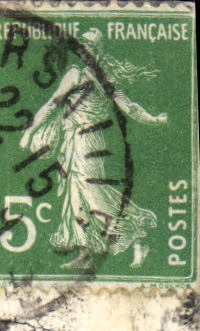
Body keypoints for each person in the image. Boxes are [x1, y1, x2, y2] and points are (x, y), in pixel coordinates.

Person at [18, 27, 168, 269]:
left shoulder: (102, 79)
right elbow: (52, 104)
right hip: (73, 141)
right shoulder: (75, 74)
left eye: (90, 46)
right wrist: (30, 130)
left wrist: (153, 119)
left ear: (97, 51)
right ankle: (84, 252)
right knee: (75, 195)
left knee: (95, 194)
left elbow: (128, 107)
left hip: (92, 141)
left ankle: (138, 235)